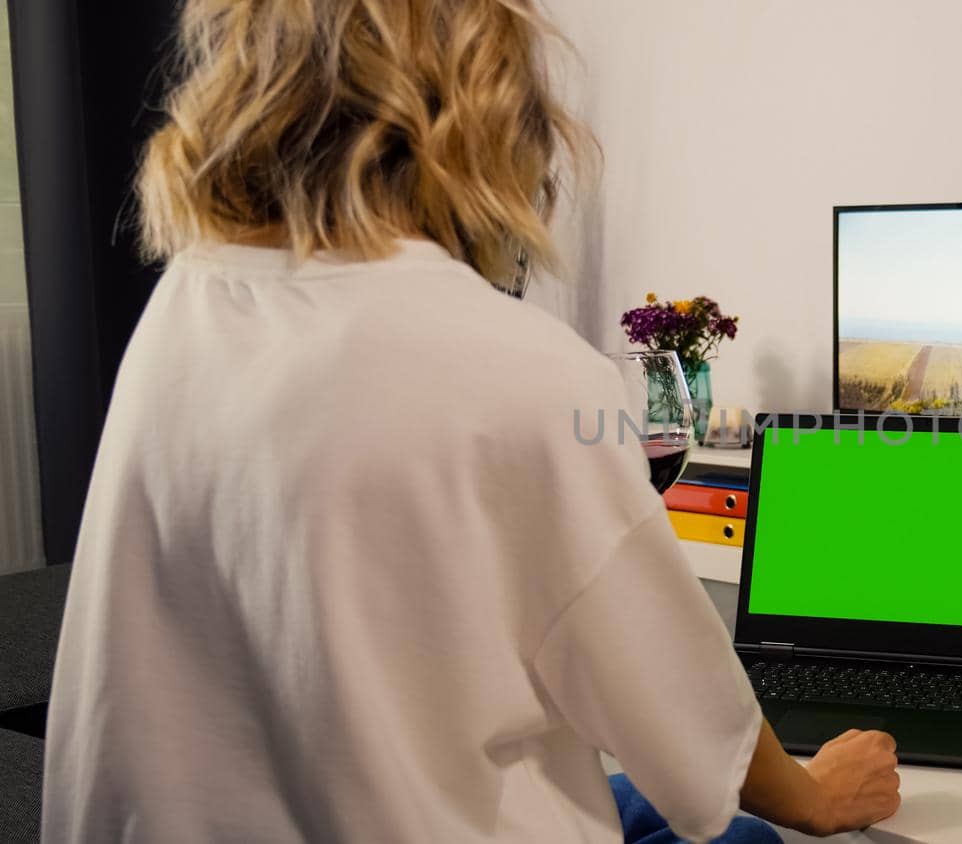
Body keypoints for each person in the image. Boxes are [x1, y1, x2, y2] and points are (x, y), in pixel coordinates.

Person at [40, 1, 901, 841]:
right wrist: (816, 795)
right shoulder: (517, 367)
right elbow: (686, 713)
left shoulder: (190, 300)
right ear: (483, 111)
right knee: (750, 833)